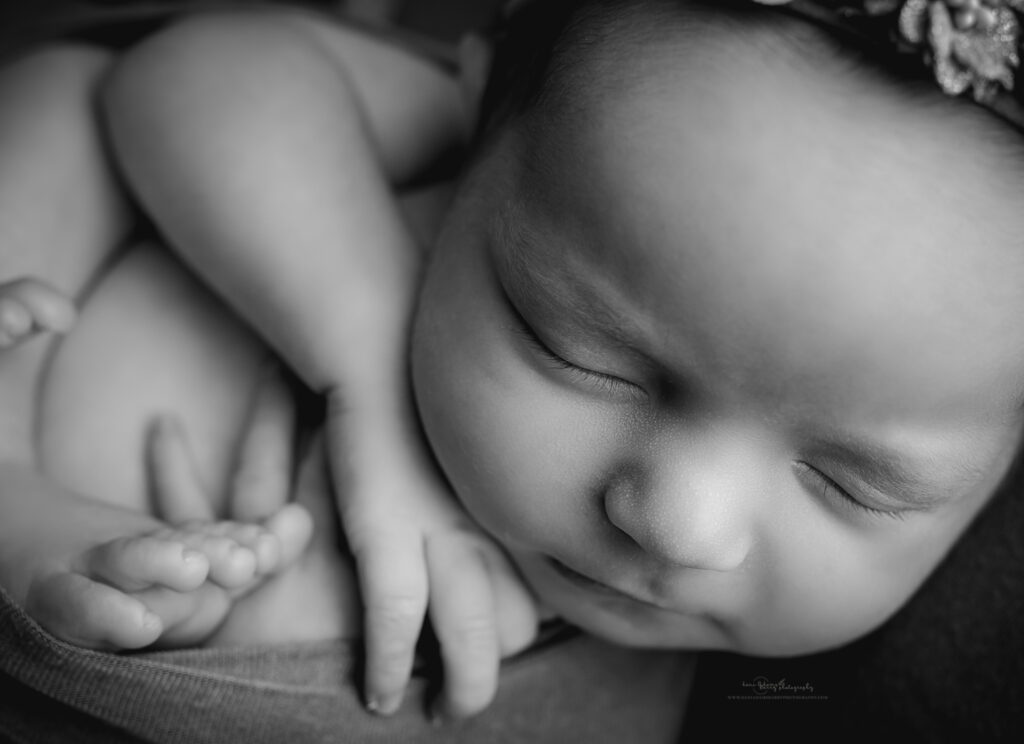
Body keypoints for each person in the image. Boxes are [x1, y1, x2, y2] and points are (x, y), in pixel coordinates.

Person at [2, 0, 1024, 739]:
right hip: (38, 344)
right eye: (578, 349)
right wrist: (364, 360)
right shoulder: (482, 145)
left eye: (852, 482)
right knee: (58, 98)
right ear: (486, 103)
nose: (674, 523)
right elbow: (193, 70)